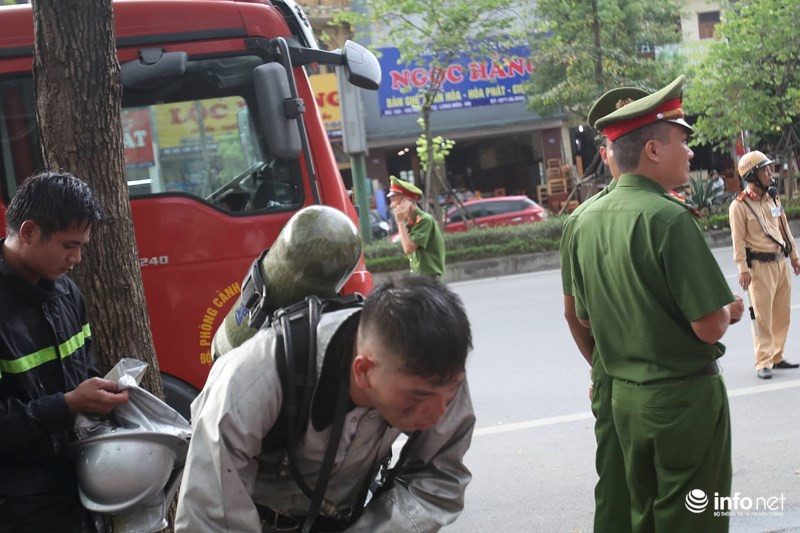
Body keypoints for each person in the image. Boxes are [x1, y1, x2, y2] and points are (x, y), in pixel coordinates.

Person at [569, 75, 744, 533]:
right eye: (681, 141)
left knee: (641, 515)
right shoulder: (667, 218)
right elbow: (710, 326)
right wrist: (729, 309)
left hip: (625, 400)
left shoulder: (584, 221)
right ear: (651, 151)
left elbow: (582, 316)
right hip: (682, 400)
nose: (690, 151)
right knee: (692, 520)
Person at [175, 275, 474, 532]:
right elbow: (211, 513)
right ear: (363, 370)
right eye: (417, 398)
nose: (439, 415)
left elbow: (439, 479)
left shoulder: (436, 373)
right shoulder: (254, 377)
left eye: (450, 392)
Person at [0, 171, 129, 533]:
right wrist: (69, 403)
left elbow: (84, 368)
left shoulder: (67, 293)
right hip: (18, 507)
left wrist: (103, 393)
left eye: (82, 246)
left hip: (77, 490)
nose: (77, 258)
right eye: (68, 245)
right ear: (28, 232)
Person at [560, 86, 648, 533]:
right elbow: (574, 313)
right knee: (620, 487)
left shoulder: (669, 211)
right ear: (606, 151)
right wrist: (602, 366)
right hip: (631, 377)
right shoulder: (582, 220)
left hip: (627, 375)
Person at [729, 150, 800, 379]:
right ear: (751, 176)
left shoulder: (773, 198)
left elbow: (784, 229)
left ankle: (777, 356)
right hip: (759, 268)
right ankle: (763, 361)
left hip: (780, 263)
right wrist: (743, 269)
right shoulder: (739, 206)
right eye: (764, 169)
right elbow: (737, 241)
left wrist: (795, 257)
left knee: (781, 314)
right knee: (761, 317)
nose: (770, 173)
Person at [388, 176, 445, 277]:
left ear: (406, 201)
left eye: (394, 200)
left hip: (429, 279)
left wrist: (400, 221)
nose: (391, 205)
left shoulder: (424, 220)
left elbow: (408, 249)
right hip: (419, 277)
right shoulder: (411, 222)